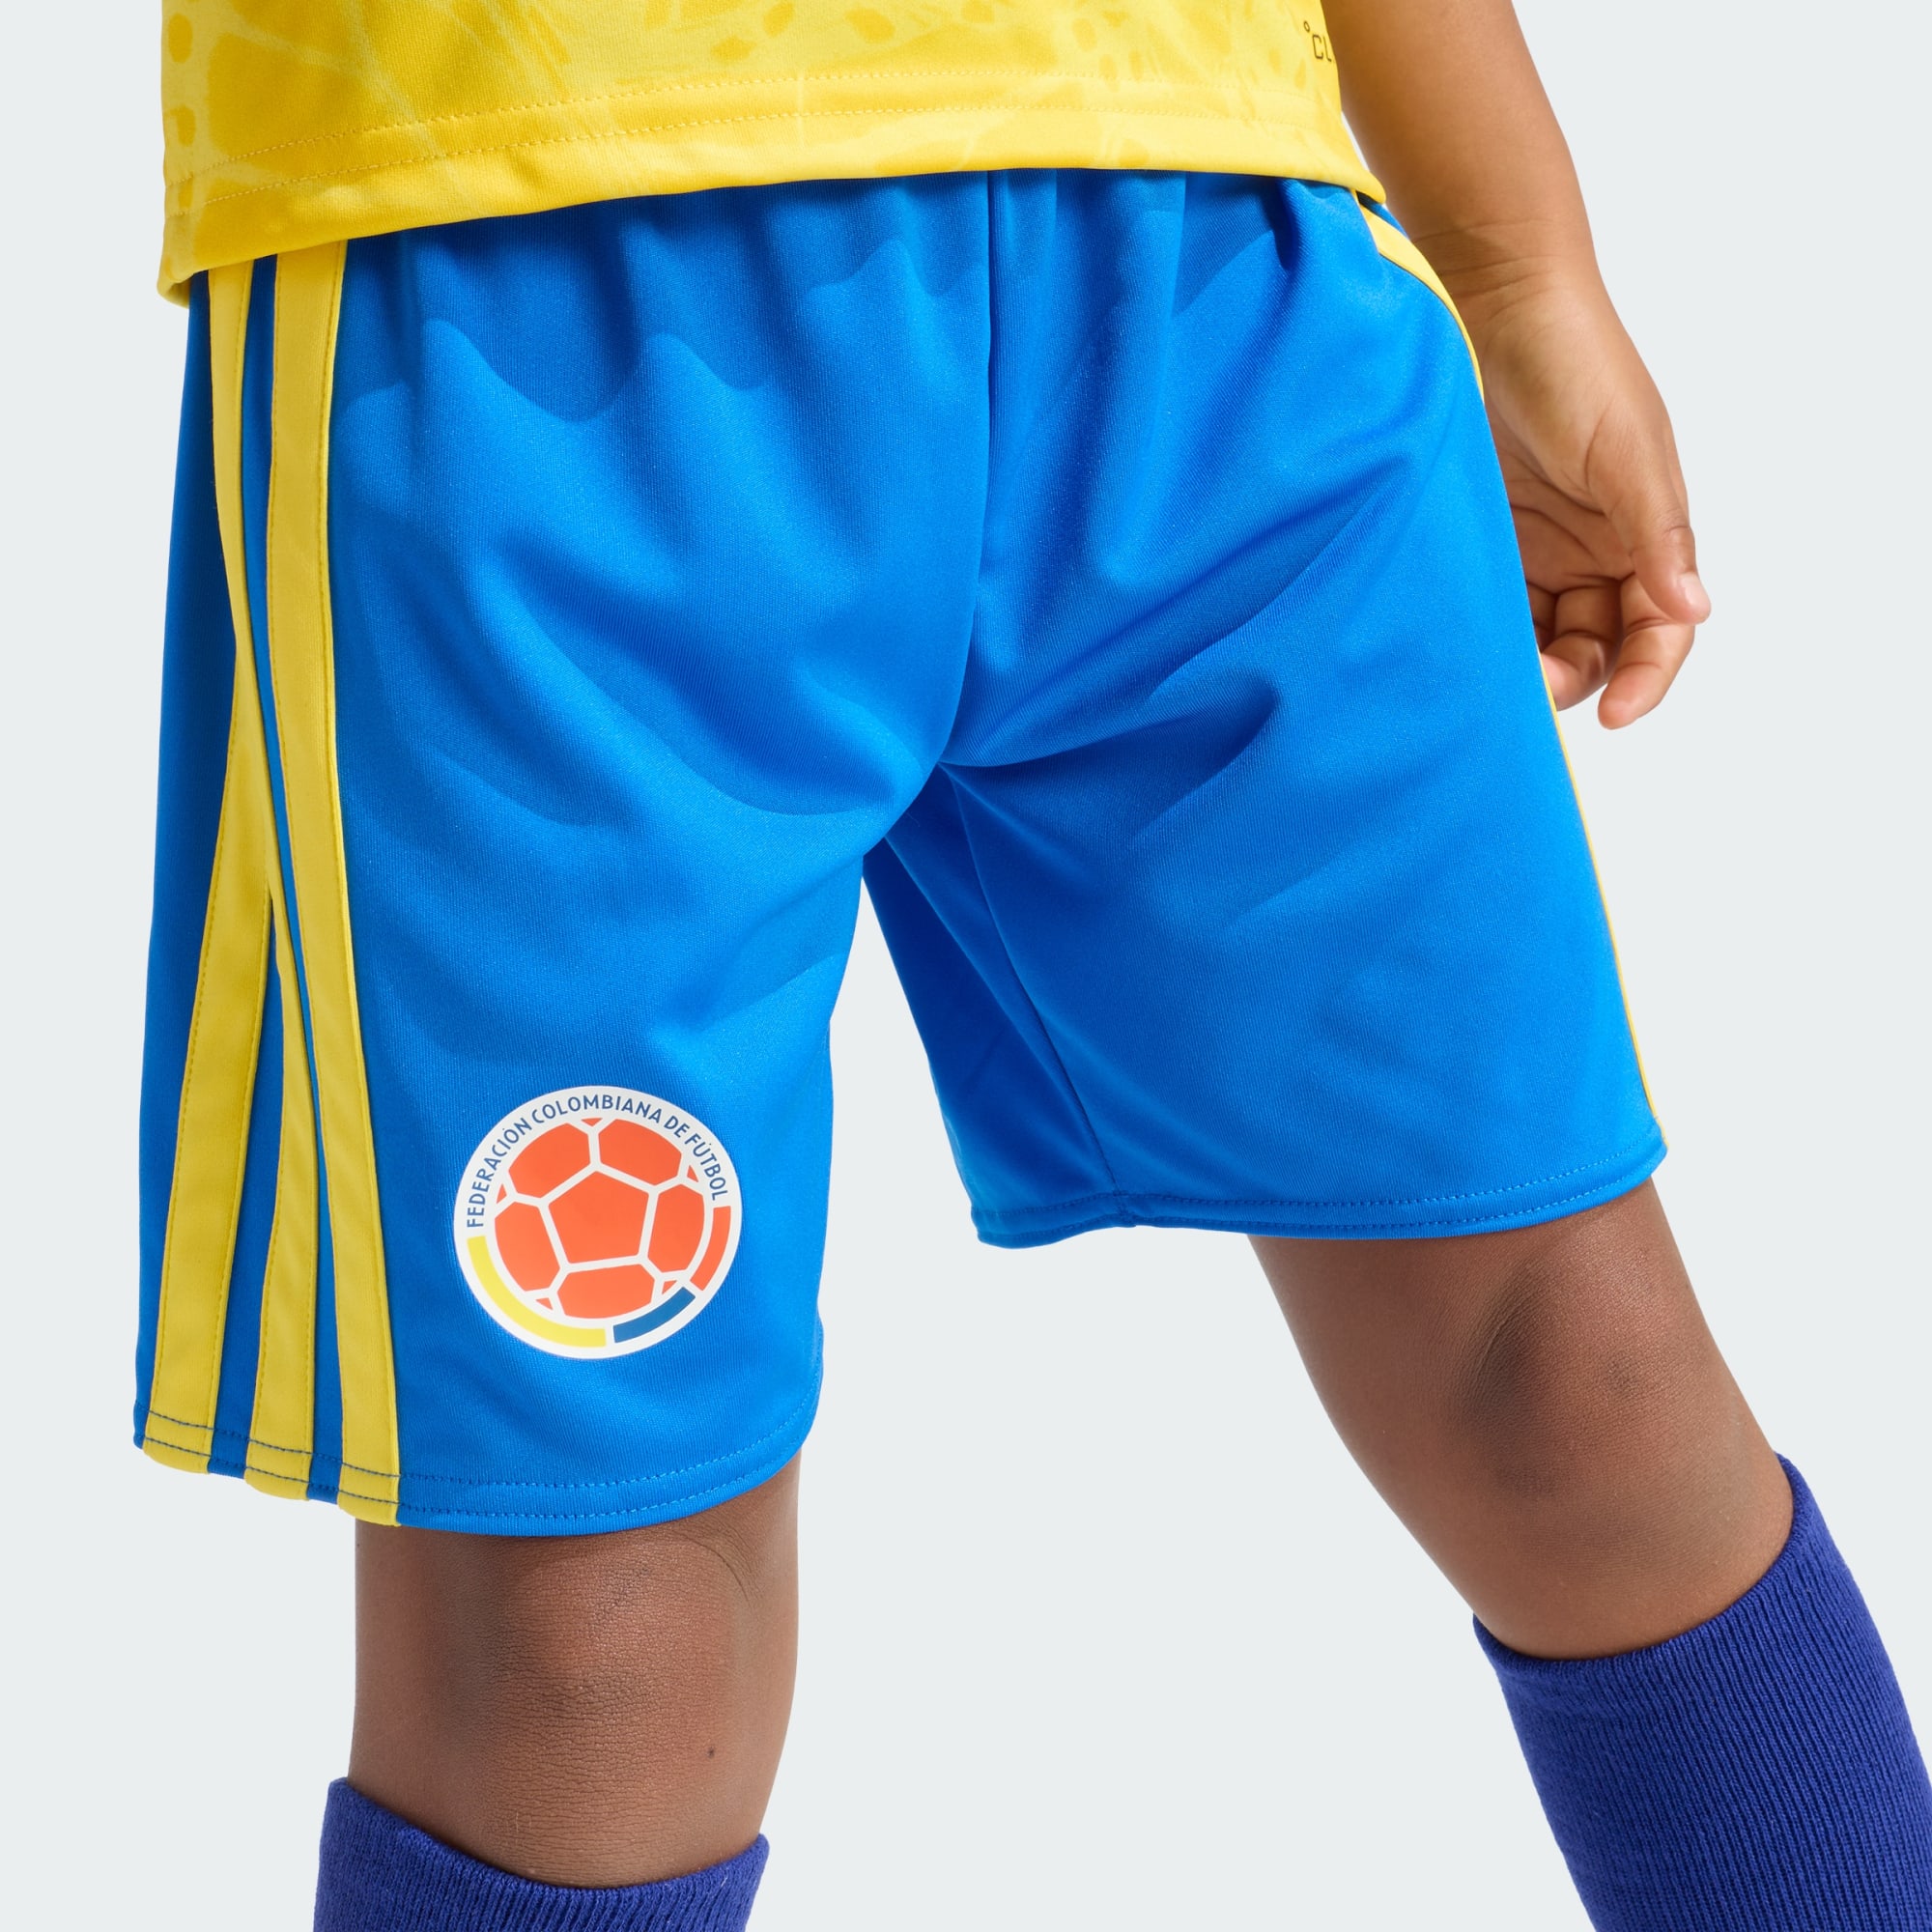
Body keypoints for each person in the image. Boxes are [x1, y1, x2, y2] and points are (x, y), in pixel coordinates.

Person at [139, 3, 1932, 1926]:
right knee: (584, 1638)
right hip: (532, 243)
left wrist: (1522, 266)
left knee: (1578, 1379)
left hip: (1219, 260)